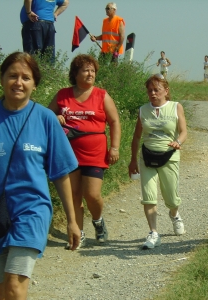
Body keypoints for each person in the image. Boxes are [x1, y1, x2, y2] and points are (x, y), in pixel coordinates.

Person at [0, 52, 80, 299]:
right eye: (12, 75)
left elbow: (60, 173)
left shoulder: (46, 119)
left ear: (34, 84)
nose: (19, 82)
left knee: (15, 286)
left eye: (26, 77)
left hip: (31, 211)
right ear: (2, 79)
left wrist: (72, 219)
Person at [48, 54, 121, 249]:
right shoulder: (63, 95)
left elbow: (114, 121)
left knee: (92, 194)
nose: (90, 74)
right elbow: (46, 116)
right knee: (73, 195)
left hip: (95, 153)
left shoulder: (101, 95)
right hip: (68, 154)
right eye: (86, 70)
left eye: (93, 71)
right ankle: (77, 234)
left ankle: (98, 221)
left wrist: (114, 147)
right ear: (75, 73)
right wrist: (55, 117)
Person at [128, 73, 187, 249]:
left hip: (169, 156)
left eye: (157, 90)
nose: (153, 93)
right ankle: (154, 233)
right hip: (147, 157)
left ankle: (175, 214)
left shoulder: (176, 107)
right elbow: (137, 137)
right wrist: (132, 161)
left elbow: (183, 131)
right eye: (150, 90)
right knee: (149, 197)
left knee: (171, 197)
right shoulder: (143, 110)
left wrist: (178, 142)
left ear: (166, 91)